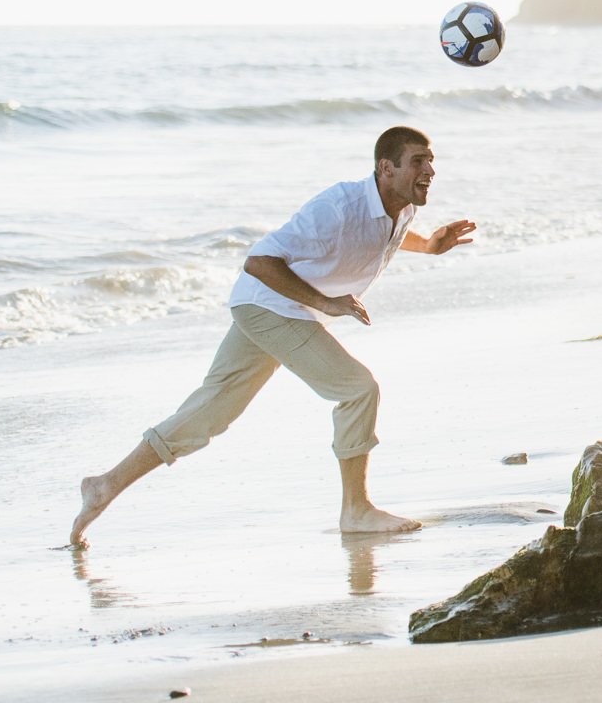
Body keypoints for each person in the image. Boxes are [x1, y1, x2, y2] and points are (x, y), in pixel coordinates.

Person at [70, 126, 476, 547]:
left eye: (431, 161)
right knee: (357, 390)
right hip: (270, 306)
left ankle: (104, 486)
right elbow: (259, 261)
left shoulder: (402, 205)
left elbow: (378, 235)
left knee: (209, 413)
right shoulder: (337, 207)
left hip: (272, 308)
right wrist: (328, 302)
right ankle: (356, 511)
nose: (429, 169)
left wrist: (428, 245)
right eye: (418, 161)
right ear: (385, 168)